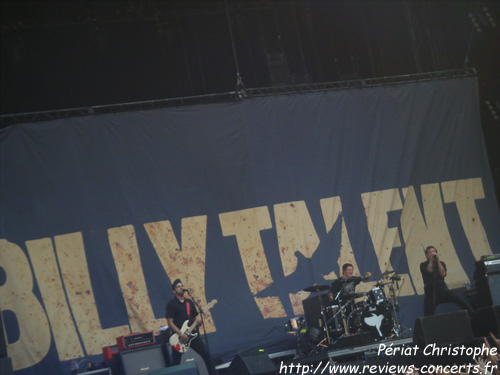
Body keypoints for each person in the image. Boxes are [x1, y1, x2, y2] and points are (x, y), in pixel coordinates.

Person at [166, 279, 217, 375]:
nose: (181, 287)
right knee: (176, 363)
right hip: (179, 338)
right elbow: (170, 322)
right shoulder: (171, 304)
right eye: (178, 286)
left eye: (181, 285)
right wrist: (181, 333)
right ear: (174, 291)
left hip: (192, 335)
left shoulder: (189, 302)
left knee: (207, 355)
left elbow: (195, 318)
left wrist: (199, 322)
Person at [419, 246, 475, 317]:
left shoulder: (441, 263)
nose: (432, 253)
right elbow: (429, 271)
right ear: (426, 256)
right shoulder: (423, 265)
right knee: (428, 314)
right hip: (430, 293)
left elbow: (443, 274)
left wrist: (438, 260)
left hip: (442, 290)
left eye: (433, 251)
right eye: (429, 252)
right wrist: (430, 261)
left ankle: (474, 315)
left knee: (460, 300)